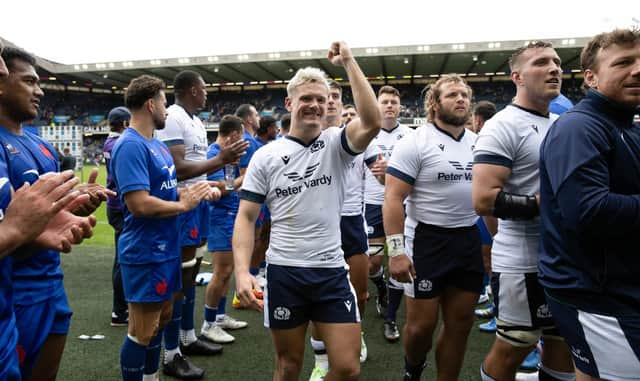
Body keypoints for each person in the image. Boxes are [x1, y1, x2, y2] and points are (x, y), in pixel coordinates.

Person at [233, 41, 381, 381]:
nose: (315, 105)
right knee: (287, 368)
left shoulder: (337, 144)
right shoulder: (266, 157)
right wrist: (243, 271)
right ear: (290, 103)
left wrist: (349, 62)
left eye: (321, 99)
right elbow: (246, 217)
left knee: (347, 368)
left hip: (330, 270)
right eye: (306, 99)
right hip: (285, 272)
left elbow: (371, 121)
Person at [0, 46, 109, 381]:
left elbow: (43, 215)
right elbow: (14, 226)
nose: (40, 90)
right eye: (30, 81)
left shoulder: (42, 145)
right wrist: (27, 229)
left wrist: (72, 205)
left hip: (52, 282)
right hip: (18, 289)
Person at [539, 28, 640, 381]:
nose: (638, 70)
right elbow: (589, 211)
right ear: (591, 77)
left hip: (615, 285)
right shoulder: (579, 127)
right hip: (596, 293)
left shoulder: (625, 125)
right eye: (624, 62)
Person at [472, 42, 575, 381]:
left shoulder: (564, 122)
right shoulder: (502, 125)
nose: (555, 68)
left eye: (557, 62)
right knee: (515, 345)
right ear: (516, 76)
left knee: (563, 344)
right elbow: (484, 200)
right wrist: (538, 205)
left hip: (566, 256)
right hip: (522, 258)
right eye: (542, 62)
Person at [112, 74, 218, 381]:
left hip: (166, 247)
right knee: (141, 330)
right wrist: (181, 206)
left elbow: (169, 192)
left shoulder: (156, 146)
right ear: (150, 104)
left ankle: (151, 376)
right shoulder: (130, 145)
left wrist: (194, 193)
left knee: (163, 318)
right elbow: (139, 204)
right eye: (162, 102)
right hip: (145, 251)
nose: (167, 109)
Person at [384, 75, 484, 380]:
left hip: (467, 238)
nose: (461, 99)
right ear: (434, 103)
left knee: (461, 324)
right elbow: (392, 199)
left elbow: (487, 199)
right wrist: (397, 253)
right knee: (420, 329)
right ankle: (413, 370)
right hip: (426, 240)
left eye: (465, 94)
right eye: (452, 94)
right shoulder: (415, 141)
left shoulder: (478, 143)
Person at [155, 70, 244, 379]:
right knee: (180, 276)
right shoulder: (174, 118)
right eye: (204, 89)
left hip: (198, 204)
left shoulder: (193, 120)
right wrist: (220, 162)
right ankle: (170, 354)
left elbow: (196, 171)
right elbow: (177, 169)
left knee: (191, 271)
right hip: (182, 205)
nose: (207, 94)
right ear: (192, 90)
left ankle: (187, 336)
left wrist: (213, 184)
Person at [309, 81, 383, 380]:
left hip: (352, 221)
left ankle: (355, 331)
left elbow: (379, 172)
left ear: (341, 104)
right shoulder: (306, 136)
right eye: (326, 97)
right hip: (319, 222)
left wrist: (385, 174)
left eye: (335, 97)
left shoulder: (356, 135)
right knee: (318, 297)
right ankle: (321, 360)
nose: (330, 102)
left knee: (361, 293)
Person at [365, 85, 414, 342]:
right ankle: (381, 286)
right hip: (372, 206)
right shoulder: (366, 135)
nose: (390, 106)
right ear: (377, 105)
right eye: (385, 101)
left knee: (398, 257)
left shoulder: (410, 135)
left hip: (402, 206)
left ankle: (391, 317)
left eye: (394, 101)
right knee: (372, 263)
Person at [200, 115, 248, 345]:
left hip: (231, 217)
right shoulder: (213, 155)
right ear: (234, 135)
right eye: (241, 136)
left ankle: (219, 316)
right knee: (221, 271)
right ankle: (208, 324)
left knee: (227, 271)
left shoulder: (228, 155)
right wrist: (242, 180)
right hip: (219, 219)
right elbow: (221, 188)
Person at [104, 106, 131, 327]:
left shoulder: (109, 142)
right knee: (123, 260)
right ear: (124, 124)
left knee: (122, 258)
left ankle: (121, 309)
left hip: (114, 205)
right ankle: (119, 311)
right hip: (119, 206)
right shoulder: (118, 144)